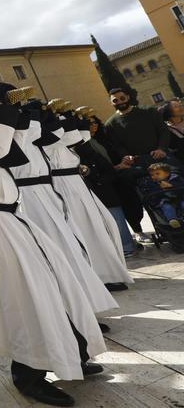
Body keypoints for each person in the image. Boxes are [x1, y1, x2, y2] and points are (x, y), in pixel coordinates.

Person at [0, 78, 107, 407]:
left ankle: (69, 353)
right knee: (20, 296)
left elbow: (16, 154)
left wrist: (16, 115)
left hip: (9, 219)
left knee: (55, 285)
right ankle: (28, 374)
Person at [44, 107, 133, 291]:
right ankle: (95, 277)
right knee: (84, 231)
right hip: (63, 187)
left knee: (97, 228)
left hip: (78, 184)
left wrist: (78, 120)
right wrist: (64, 119)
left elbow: (80, 138)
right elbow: (68, 137)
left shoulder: (60, 139)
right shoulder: (42, 137)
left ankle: (108, 274)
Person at [104, 88, 171, 239]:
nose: (120, 102)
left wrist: (161, 149)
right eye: (115, 100)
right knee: (151, 198)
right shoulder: (110, 124)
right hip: (139, 165)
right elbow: (117, 146)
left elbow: (163, 131)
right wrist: (125, 156)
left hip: (161, 159)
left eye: (122, 98)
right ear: (111, 103)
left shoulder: (148, 111)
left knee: (176, 189)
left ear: (128, 97)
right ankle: (165, 227)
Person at [85, 115, 140, 256]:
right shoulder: (85, 142)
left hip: (118, 178)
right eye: (89, 123)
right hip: (106, 181)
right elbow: (98, 166)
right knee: (115, 213)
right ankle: (126, 245)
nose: (94, 125)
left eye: (95, 122)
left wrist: (123, 161)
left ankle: (134, 235)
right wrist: (117, 167)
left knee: (129, 206)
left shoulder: (101, 138)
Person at [141, 163, 184, 227]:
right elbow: (152, 195)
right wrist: (160, 188)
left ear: (167, 173)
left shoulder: (176, 178)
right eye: (152, 175)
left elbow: (181, 186)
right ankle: (173, 220)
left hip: (180, 198)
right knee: (167, 207)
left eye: (157, 174)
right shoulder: (152, 184)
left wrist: (172, 186)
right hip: (165, 200)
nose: (154, 176)